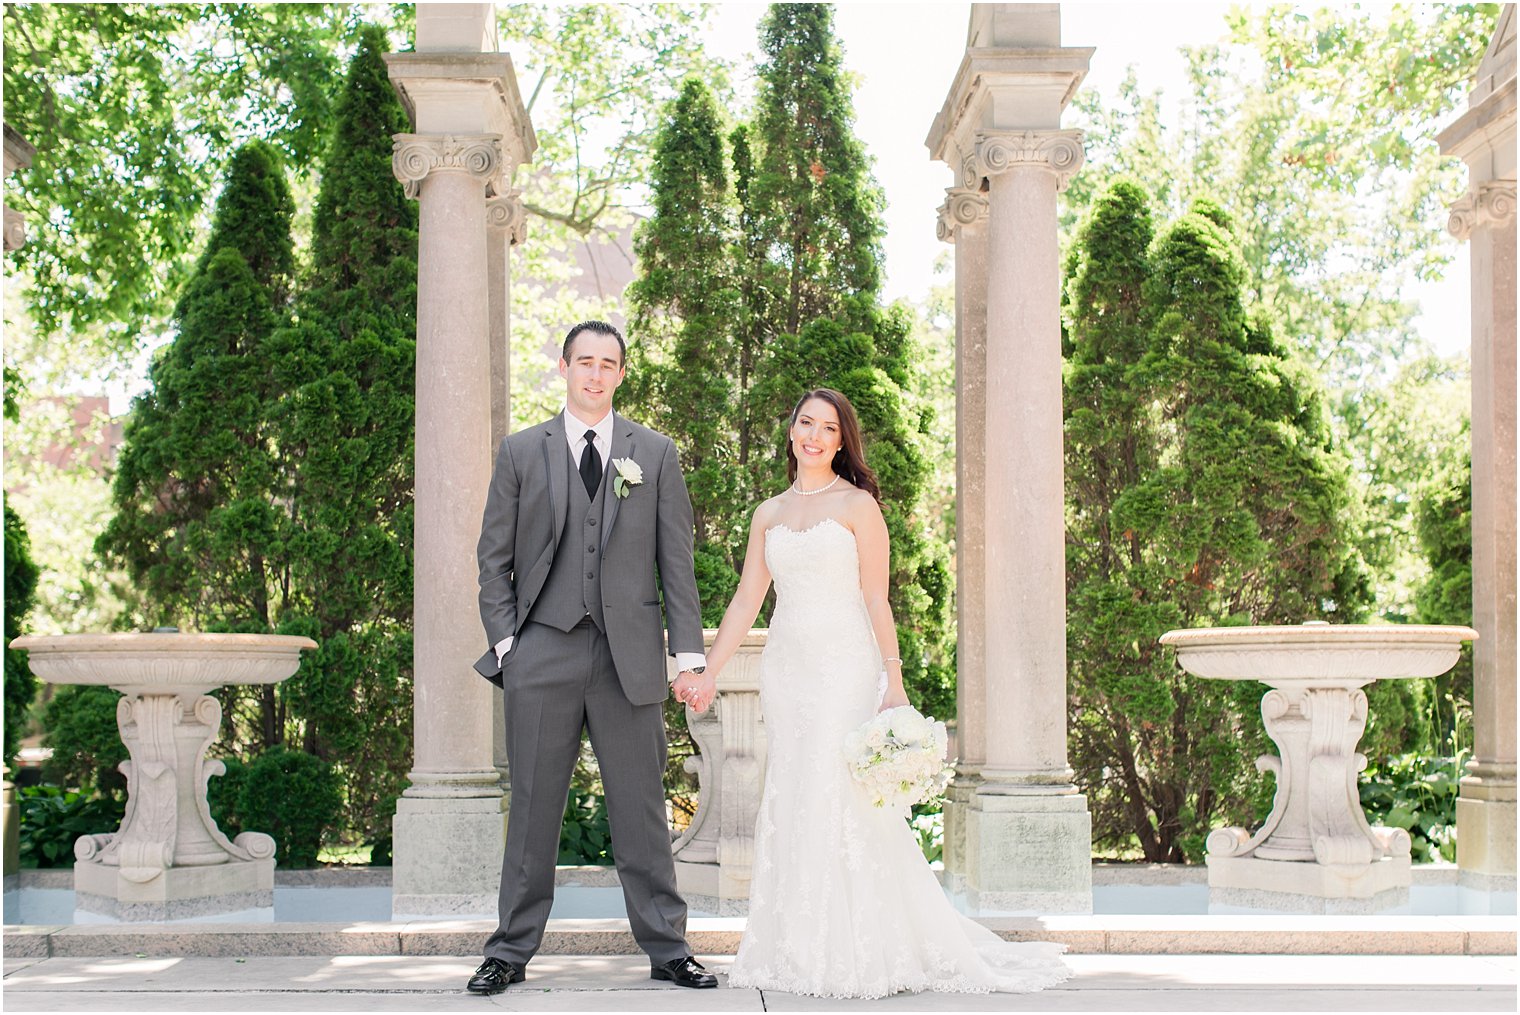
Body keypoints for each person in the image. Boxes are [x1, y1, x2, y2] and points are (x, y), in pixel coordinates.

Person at [685, 388, 1073, 999]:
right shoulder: (768, 513)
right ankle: (793, 949)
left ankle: (860, 950)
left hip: (845, 668)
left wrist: (893, 680)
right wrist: (709, 671)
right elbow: (745, 602)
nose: (814, 435)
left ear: (842, 441)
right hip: (787, 672)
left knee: (843, 799)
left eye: (829, 428)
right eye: (806, 423)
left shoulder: (858, 506)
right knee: (793, 795)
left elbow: (875, 598)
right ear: (791, 431)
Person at [467, 320, 718, 994]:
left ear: (622, 373)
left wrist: (687, 658)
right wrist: (510, 644)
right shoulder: (521, 451)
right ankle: (509, 951)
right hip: (541, 649)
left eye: (609, 363)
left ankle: (668, 946)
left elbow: (677, 565)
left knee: (640, 807)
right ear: (563, 367)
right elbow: (493, 558)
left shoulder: (655, 453)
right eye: (585, 361)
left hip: (627, 655)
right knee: (533, 809)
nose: (596, 374)